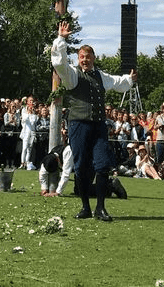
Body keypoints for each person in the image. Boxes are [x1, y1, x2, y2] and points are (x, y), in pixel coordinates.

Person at [51, 20, 137, 222]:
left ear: (94, 58)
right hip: (78, 125)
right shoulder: (72, 74)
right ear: (78, 59)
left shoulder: (101, 76)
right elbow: (59, 63)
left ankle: (100, 208)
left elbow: (118, 82)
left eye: (88, 57)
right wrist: (62, 39)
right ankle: (85, 207)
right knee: (81, 167)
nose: (84, 60)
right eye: (81, 57)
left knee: (102, 165)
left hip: (98, 126)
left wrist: (130, 80)